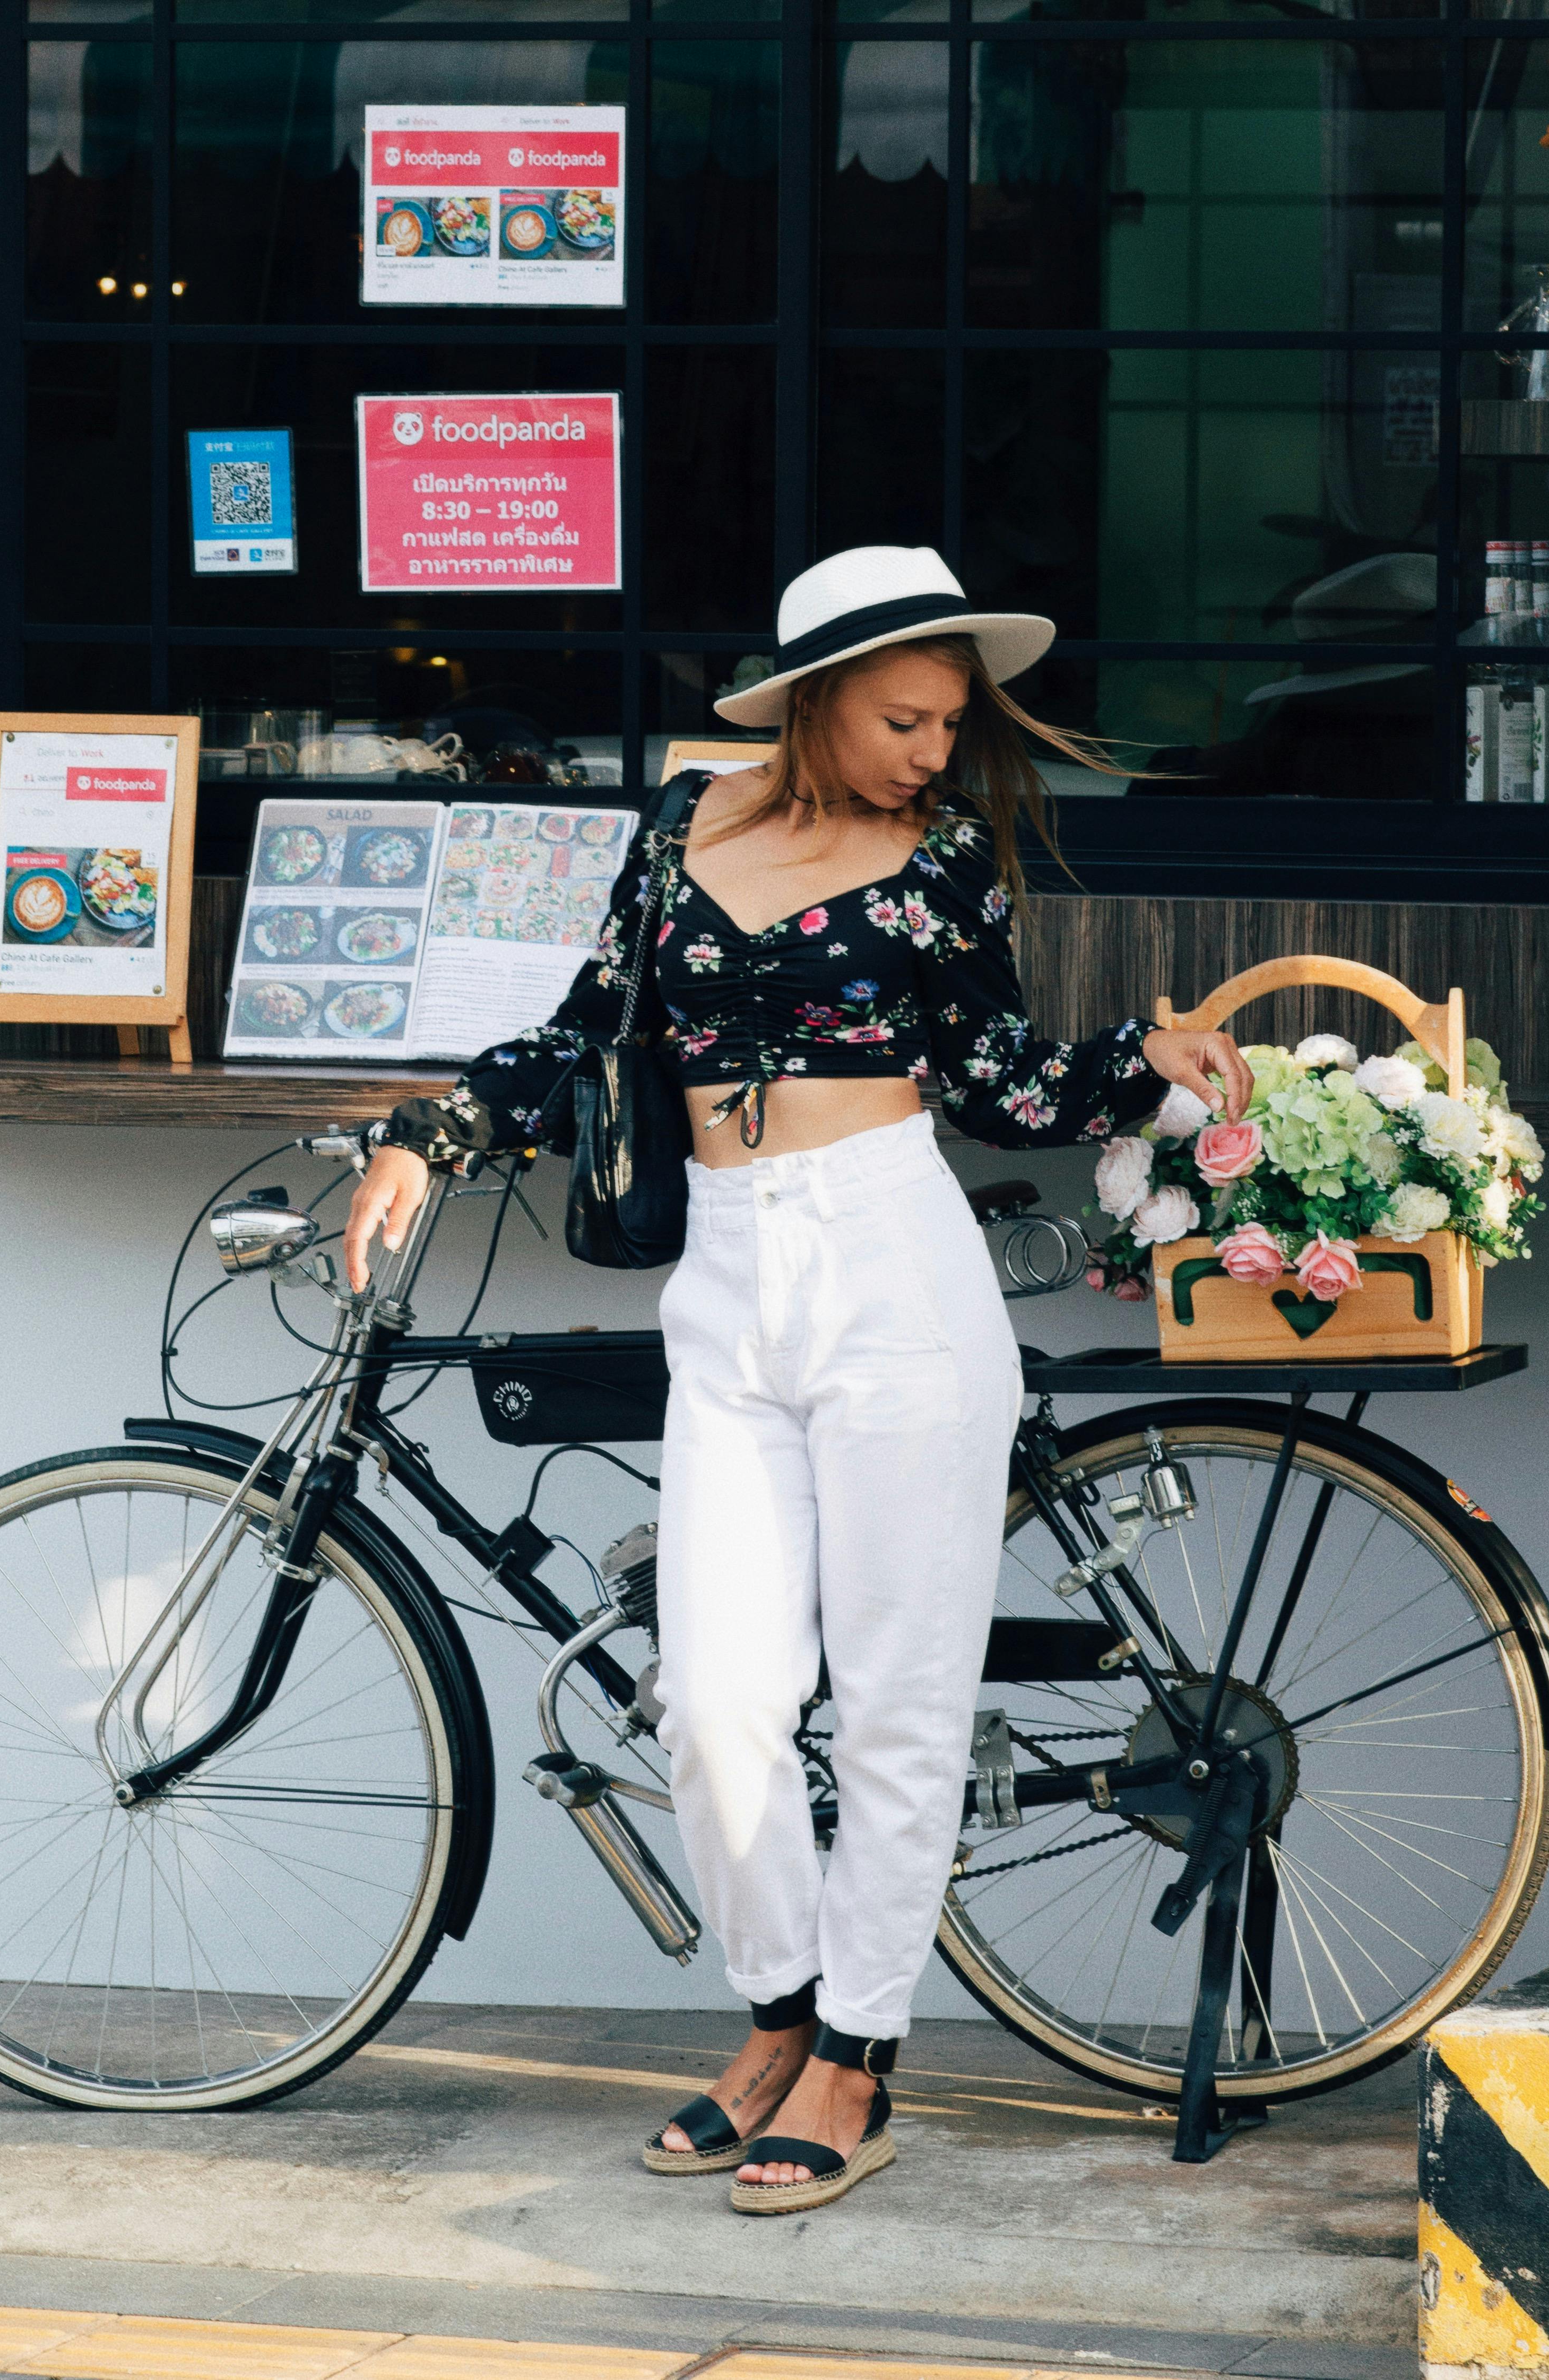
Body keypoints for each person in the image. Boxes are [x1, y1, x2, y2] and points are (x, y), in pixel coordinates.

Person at [342, 546, 1252, 2217]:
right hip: (734, 1279)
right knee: (714, 1701)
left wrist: (1140, 1065)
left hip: (894, 1269)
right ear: (820, 696)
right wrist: (430, 1136)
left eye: (947, 725)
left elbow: (996, 1081)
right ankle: (781, 2012)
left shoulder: (944, 860)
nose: (929, 750)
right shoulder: (676, 833)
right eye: (904, 718)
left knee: (902, 1701)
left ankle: (860, 2056)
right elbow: (582, 1036)